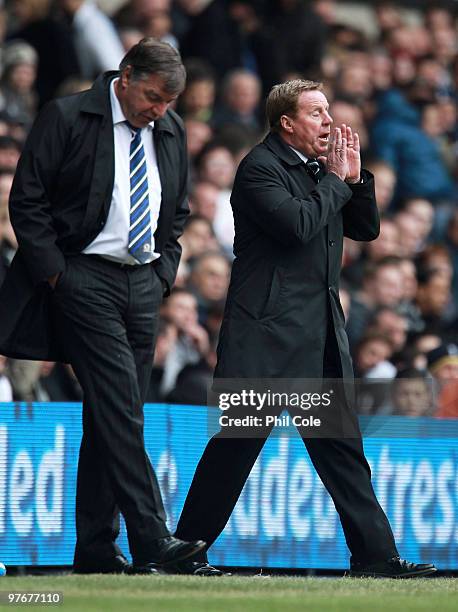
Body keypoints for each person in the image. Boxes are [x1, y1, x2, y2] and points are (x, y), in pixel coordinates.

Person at [173, 79, 436, 578]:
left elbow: (366, 229)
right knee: (236, 447)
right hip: (267, 337)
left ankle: (376, 557)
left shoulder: (322, 171)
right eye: (316, 113)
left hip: (316, 337)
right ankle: (185, 549)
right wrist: (335, 181)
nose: (328, 121)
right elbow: (297, 225)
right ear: (286, 123)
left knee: (342, 453)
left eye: (329, 110)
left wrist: (355, 181)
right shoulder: (259, 168)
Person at [0, 38, 205, 574]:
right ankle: (153, 539)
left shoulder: (171, 130)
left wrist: (164, 271)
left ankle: (94, 547)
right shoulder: (67, 115)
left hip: (142, 282)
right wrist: (57, 275)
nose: (158, 110)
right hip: (82, 276)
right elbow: (28, 198)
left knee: (107, 414)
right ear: (127, 74)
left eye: (168, 102)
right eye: (153, 97)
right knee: (122, 407)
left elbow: (177, 211)